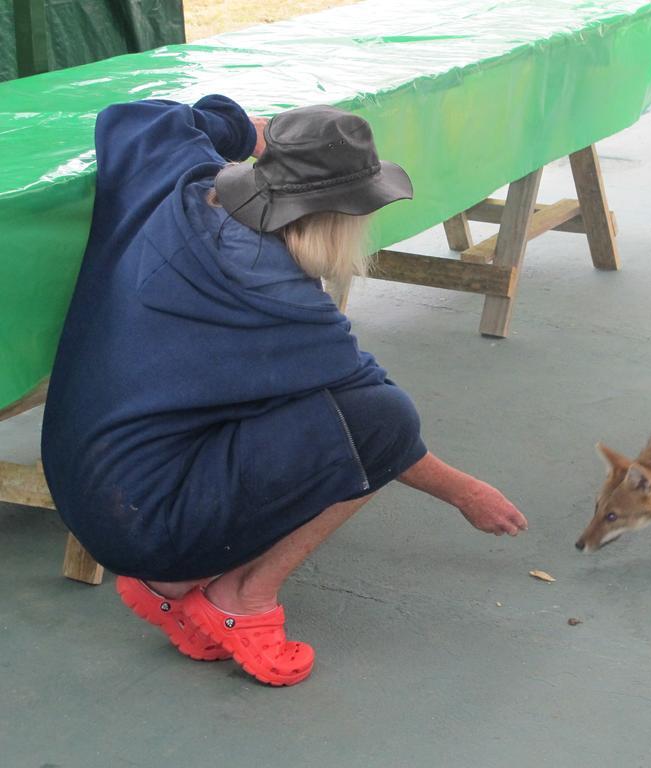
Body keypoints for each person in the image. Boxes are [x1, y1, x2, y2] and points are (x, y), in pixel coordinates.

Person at [40, 95, 528, 687]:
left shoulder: (176, 176)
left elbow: (138, 116)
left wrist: (244, 128)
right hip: (140, 519)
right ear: (335, 218)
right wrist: (467, 494)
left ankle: (165, 582)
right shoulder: (280, 298)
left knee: (321, 405)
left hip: (82, 477)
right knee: (383, 419)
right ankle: (241, 596)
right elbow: (379, 426)